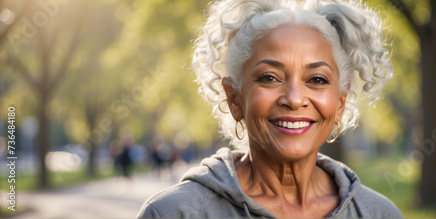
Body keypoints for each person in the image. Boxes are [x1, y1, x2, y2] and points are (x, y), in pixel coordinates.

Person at [138, 0, 403, 218]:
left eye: (317, 80)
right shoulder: (174, 213)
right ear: (234, 99)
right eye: (269, 77)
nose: (294, 98)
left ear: (340, 104)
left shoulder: (379, 214)